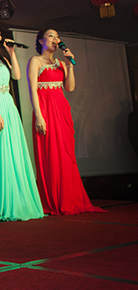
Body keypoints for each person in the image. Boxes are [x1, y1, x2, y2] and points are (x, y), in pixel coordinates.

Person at [27, 29, 105, 215]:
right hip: (45, 111)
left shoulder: (61, 63)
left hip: (61, 110)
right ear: (41, 41)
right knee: (51, 153)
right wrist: (39, 116)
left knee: (65, 153)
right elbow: (32, 90)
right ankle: (54, 200)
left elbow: (70, 87)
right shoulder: (35, 61)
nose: (56, 39)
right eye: (51, 36)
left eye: (57, 36)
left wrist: (70, 65)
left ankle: (70, 198)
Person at [0, 23, 43, 221]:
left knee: (14, 151)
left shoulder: (3, 57)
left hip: (9, 105)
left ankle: (20, 200)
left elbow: (17, 76)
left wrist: (12, 53)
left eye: (0, 33)